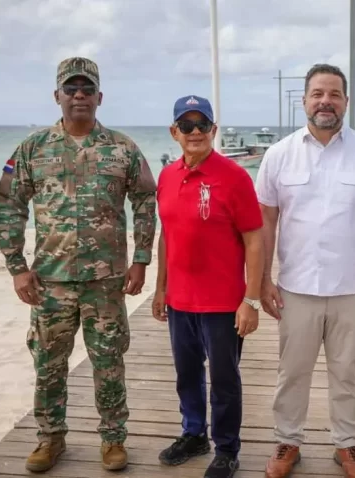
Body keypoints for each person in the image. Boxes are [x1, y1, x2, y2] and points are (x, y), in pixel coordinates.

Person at [0, 56, 157, 473]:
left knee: (109, 364)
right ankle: (50, 440)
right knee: (48, 366)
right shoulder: (33, 149)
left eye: (87, 89)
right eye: (72, 89)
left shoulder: (122, 148)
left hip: (106, 283)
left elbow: (144, 202)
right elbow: (10, 203)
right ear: (58, 96)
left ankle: (113, 441)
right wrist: (16, 266)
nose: (79, 95)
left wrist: (141, 259)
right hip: (50, 282)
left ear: (100, 97)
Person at [256, 64, 355, 478]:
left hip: (353, 288)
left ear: (346, 102)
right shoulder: (279, 154)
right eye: (317, 93)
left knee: (348, 371)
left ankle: (347, 445)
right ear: (304, 101)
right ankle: (288, 441)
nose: (325, 101)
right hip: (295, 287)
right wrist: (263, 279)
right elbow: (265, 221)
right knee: (292, 371)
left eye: (334, 94)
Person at [151, 94, 265, 478]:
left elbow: (255, 239)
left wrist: (251, 299)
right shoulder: (167, 177)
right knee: (186, 374)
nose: (195, 131)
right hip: (180, 301)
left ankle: (227, 449)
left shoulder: (234, 178)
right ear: (174, 132)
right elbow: (167, 234)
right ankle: (194, 433)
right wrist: (160, 287)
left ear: (214, 130)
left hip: (222, 302)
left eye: (203, 125)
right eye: (187, 125)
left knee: (224, 379)